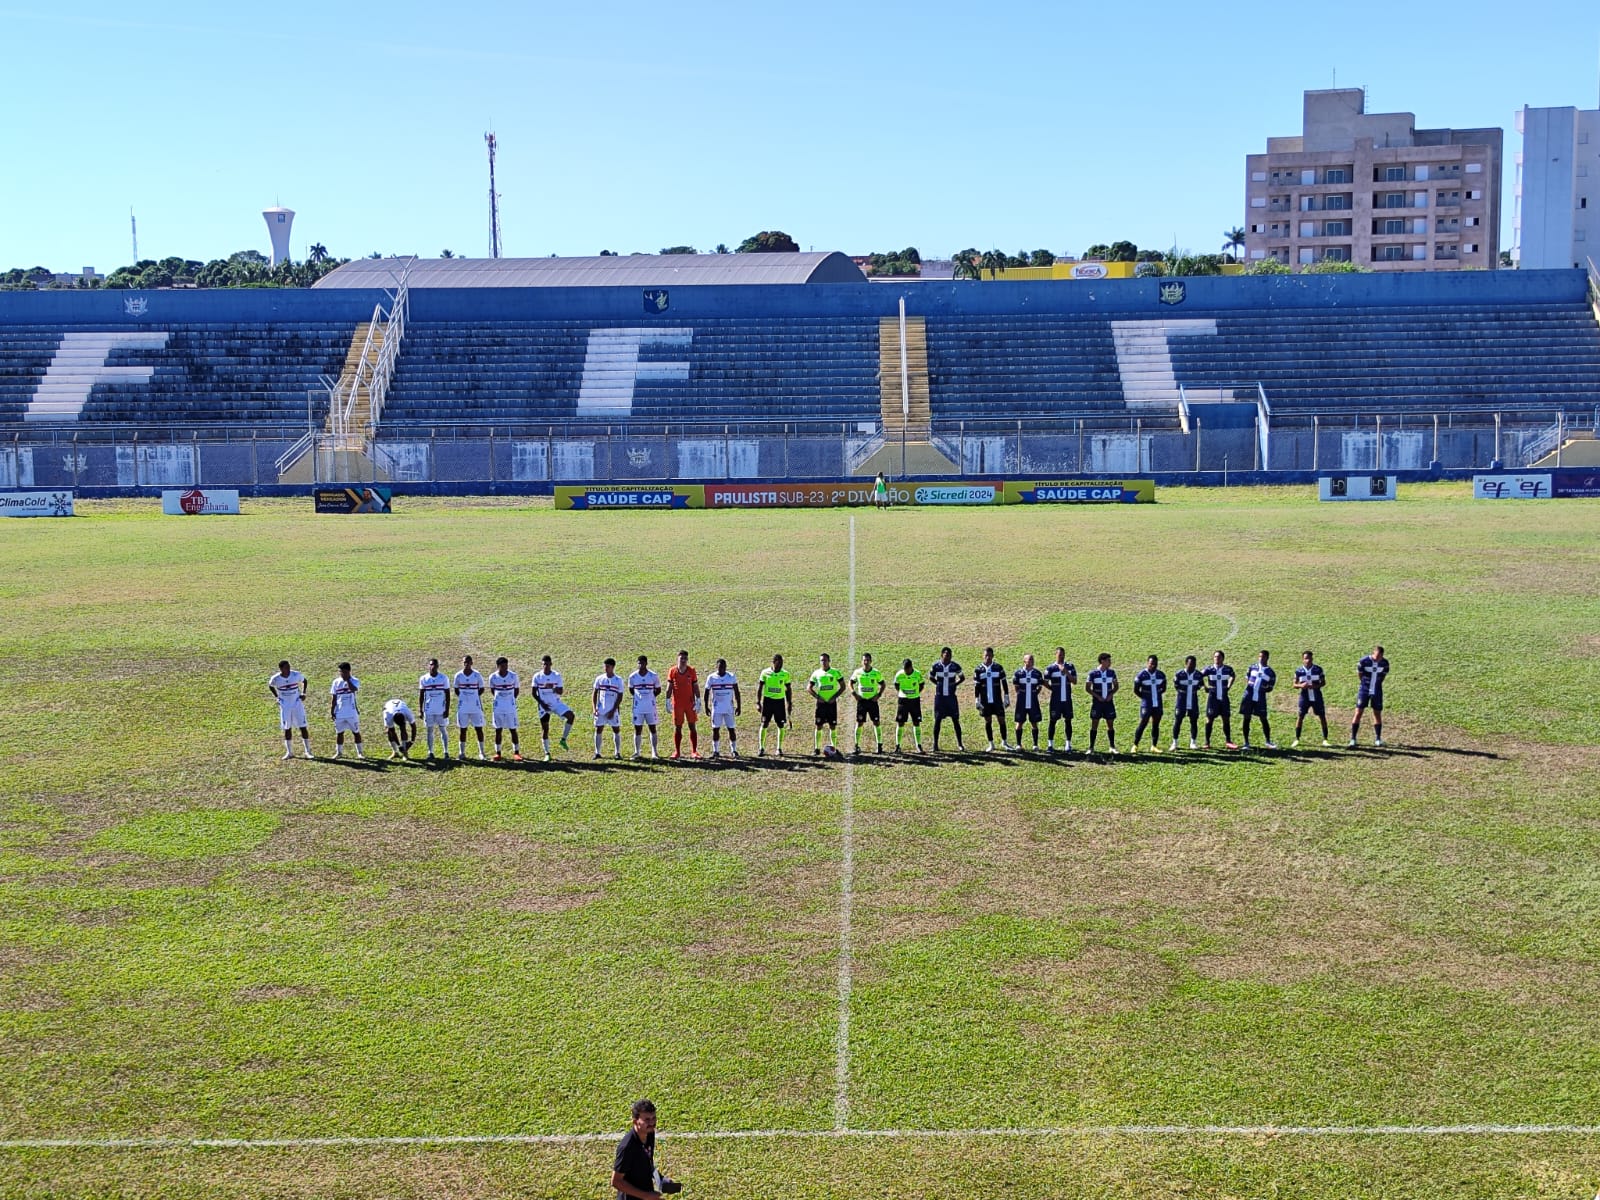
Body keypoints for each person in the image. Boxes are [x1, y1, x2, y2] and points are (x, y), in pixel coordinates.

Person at [612, 1098, 679, 1200]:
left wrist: (660, 1180)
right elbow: (616, 1181)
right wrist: (646, 1196)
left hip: (646, 1192)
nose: (652, 1123)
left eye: (654, 1118)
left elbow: (646, 1161)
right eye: (647, 1120)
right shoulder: (627, 1147)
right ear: (635, 1122)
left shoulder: (649, 1133)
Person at [532, 654, 576, 763]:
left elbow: (560, 691)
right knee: (545, 729)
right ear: (542, 665)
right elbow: (534, 693)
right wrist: (542, 703)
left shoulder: (556, 675)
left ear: (551, 664)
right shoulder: (537, 676)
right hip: (543, 705)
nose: (546, 666)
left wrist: (552, 687)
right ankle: (547, 753)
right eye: (544, 664)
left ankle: (563, 740)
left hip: (556, 703)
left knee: (571, 716)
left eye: (548, 664)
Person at [268, 659, 313, 760]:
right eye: (286, 667)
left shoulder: (296, 675)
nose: (288, 669)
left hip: (297, 704)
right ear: (281, 669)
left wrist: (303, 693)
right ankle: (289, 752)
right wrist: (277, 697)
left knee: (303, 726)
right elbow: (270, 685)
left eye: (289, 667)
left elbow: (304, 681)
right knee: (287, 728)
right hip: (285, 706)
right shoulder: (276, 678)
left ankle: (308, 751)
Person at [1349, 644, 1390, 747]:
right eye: (1376, 657)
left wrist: (1377, 684)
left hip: (1377, 690)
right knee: (1358, 712)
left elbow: (1383, 676)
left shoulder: (1385, 663)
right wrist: (1365, 683)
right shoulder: (1363, 661)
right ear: (1373, 653)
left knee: (1377, 713)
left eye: (1379, 657)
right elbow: (1360, 674)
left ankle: (1378, 738)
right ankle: (1353, 738)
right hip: (1364, 689)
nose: (1377, 659)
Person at [665, 650, 701, 760]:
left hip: (690, 703)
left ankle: (694, 751)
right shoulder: (672, 671)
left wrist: (698, 700)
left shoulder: (691, 671)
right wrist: (667, 700)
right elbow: (669, 687)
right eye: (681, 658)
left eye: (685, 658)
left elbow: (695, 686)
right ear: (678, 659)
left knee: (692, 726)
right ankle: (677, 751)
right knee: (678, 727)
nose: (683, 660)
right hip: (677, 704)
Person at [928, 646, 966, 752]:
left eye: (949, 655)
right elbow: (930, 677)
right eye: (945, 655)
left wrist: (955, 685)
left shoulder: (955, 666)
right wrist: (938, 685)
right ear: (941, 655)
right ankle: (935, 744)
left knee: (955, 720)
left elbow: (962, 677)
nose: (947, 657)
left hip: (951, 698)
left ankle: (960, 744)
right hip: (940, 697)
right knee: (937, 720)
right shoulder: (936, 666)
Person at [703, 658, 741, 758]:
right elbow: (706, 692)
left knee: (731, 729)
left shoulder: (731, 677)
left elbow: (737, 692)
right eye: (720, 667)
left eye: (723, 667)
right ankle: (716, 751)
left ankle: (734, 750)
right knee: (715, 729)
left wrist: (739, 706)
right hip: (717, 709)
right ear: (717, 667)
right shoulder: (711, 677)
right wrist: (706, 706)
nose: (721, 669)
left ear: (726, 667)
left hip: (729, 708)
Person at [974, 647, 1011, 752]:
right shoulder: (978, 669)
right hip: (985, 701)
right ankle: (991, 744)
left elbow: (1004, 683)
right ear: (983, 656)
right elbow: (977, 686)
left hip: (997, 700)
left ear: (993, 656)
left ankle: (1004, 742)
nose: (988, 658)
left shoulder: (998, 668)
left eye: (990, 655)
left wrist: (1006, 696)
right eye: (986, 655)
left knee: (1001, 720)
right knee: (988, 721)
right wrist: (977, 699)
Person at [1240, 649, 1278, 750]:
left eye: (1263, 657)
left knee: (1263, 718)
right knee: (1246, 718)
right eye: (1259, 656)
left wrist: (1261, 690)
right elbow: (1247, 678)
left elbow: (1270, 688)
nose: (1261, 658)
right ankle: (1246, 743)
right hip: (1248, 696)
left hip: (1260, 698)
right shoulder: (1252, 667)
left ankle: (1268, 741)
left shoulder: (1271, 673)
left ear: (1267, 658)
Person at [757, 654, 793, 757]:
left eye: (782, 663)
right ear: (774, 662)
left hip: (779, 702)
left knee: (780, 725)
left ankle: (779, 748)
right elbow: (760, 688)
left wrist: (789, 702)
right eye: (779, 663)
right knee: (764, 724)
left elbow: (788, 689)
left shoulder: (785, 674)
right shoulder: (765, 673)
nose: (781, 665)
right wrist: (758, 702)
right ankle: (761, 748)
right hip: (768, 701)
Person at [808, 653, 844, 757]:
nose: (823, 662)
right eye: (821, 660)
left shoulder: (835, 672)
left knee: (832, 726)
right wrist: (818, 697)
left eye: (825, 660)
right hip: (821, 705)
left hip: (832, 704)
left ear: (829, 661)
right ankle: (817, 749)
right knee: (819, 725)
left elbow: (843, 686)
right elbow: (809, 688)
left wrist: (835, 697)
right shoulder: (816, 674)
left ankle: (834, 748)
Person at [487, 656, 522, 762]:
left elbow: (516, 690)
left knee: (513, 729)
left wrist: (510, 700)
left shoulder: (513, 676)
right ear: (498, 666)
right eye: (502, 666)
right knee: (498, 730)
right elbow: (493, 691)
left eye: (506, 666)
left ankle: (516, 752)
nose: (505, 668)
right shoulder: (493, 677)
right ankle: (498, 753)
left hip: (510, 708)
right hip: (498, 708)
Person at [1292, 649, 1330, 747]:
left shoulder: (1318, 669)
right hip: (1304, 697)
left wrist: (1315, 686)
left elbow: (1323, 682)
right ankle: (1297, 738)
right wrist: (1301, 686)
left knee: (1322, 716)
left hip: (1317, 696)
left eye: (1309, 658)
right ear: (1302, 659)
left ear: (1312, 658)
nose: (1307, 660)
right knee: (1300, 716)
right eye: (1305, 658)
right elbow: (1294, 684)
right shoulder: (1299, 671)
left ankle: (1325, 739)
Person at [850, 652, 886, 754]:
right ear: (862, 661)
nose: (866, 662)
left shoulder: (876, 673)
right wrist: (854, 693)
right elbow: (851, 683)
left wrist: (878, 695)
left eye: (867, 660)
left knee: (876, 722)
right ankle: (856, 745)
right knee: (859, 723)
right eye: (864, 660)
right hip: (862, 702)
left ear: (871, 661)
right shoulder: (857, 672)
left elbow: (883, 684)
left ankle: (879, 746)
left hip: (872, 702)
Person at [628, 654, 662, 760]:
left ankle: (654, 752)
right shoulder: (632, 677)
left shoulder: (653, 675)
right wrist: (640, 699)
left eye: (642, 663)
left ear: (646, 663)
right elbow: (631, 690)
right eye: (639, 663)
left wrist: (650, 697)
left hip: (650, 708)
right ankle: (637, 752)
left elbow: (658, 689)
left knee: (652, 728)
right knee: (637, 729)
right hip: (638, 708)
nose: (641, 665)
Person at [454, 654, 488, 761]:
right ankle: (462, 753)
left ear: (472, 663)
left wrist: (473, 697)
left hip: (475, 707)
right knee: (463, 729)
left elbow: (481, 689)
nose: (466, 664)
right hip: (463, 707)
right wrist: (464, 698)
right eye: (464, 662)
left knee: (478, 728)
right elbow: (456, 690)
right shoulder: (458, 675)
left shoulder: (477, 675)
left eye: (468, 662)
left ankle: (482, 753)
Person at [417, 657, 452, 761]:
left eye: (434, 665)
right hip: (429, 710)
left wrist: (447, 709)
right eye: (431, 665)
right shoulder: (424, 679)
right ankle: (430, 752)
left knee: (443, 730)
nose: (432, 667)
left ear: (437, 666)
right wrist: (420, 710)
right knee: (429, 731)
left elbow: (448, 694)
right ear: (428, 666)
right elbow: (421, 695)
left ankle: (446, 752)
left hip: (441, 710)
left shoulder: (443, 678)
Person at [1202, 650, 1237, 750]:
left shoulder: (1227, 669)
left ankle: (1228, 741)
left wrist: (1229, 686)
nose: (1217, 659)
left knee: (1226, 719)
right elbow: (1199, 676)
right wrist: (1205, 686)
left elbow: (1233, 675)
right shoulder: (1209, 669)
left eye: (1219, 657)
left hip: (1224, 698)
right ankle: (1207, 742)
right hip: (1213, 698)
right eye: (1215, 657)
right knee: (1209, 720)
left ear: (1223, 658)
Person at [1044, 647, 1077, 754]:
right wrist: (1052, 689)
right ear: (1056, 654)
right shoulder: (1050, 668)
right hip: (1056, 700)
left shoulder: (1070, 666)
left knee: (1068, 721)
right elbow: (1044, 681)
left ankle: (1068, 745)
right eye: (1060, 654)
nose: (1062, 656)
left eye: (1063, 654)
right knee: (1052, 721)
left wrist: (1067, 672)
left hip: (1067, 699)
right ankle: (1050, 745)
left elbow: (1075, 681)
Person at [1085, 652, 1119, 754]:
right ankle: (1091, 747)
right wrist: (1098, 697)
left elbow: (1116, 686)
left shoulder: (1111, 673)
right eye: (1108, 660)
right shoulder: (1093, 674)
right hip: (1097, 703)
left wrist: (1111, 694)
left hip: (1108, 703)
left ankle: (1112, 747)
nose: (1110, 662)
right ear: (1102, 661)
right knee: (1094, 724)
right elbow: (1087, 688)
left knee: (1110, 724)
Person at [1131, 655, 1167, 752]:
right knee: (1143, 723)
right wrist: (1144, 698)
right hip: (1147, 704)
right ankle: (1135, 745)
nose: (1153, 665)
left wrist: (1157, 695)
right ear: (1148, 663)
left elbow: (1164, 688)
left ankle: (1154, 746)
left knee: (1156, 724)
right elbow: (1136, 690)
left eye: (1155, 664)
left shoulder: (1161, 675)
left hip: (1157, 704)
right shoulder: (1141, 675)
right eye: (1151, 663)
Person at [593, 658, 626, 759]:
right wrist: (594, 709)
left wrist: (613, 710)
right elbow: (595, 693)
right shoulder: (599, 679)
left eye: (608, 666)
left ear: (613, 667)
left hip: (613, 710)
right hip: (601, 710)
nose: (605, 668)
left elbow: (620, 697)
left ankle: (617, 752)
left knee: (616, 729)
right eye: (605, 666)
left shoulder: (618, 680)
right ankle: (597, 752)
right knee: (599, 729)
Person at [1168, 655, 1203, 751]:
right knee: (1178, 721)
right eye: (1190, 664)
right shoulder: (1179, 674)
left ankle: (1193, 742)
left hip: (1193, 700)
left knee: (1194, 721)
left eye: (1194, 664)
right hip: (1181, 701)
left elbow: (1200, 685)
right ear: (1186, 663)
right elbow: (1176, 686)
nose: (1192, 666)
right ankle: (1174, 742)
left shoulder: (1198, 675)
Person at [329, 661, 363, 759]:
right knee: (339, 733)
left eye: (343, 672)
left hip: (351, 712)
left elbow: (353, 689)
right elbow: (334, 697)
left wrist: (347, 680)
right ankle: (339, 752)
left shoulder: (354, 680)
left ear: (348, 671)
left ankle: (360, 752)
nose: (341, 674)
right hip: (339, 712)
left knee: (356, 732)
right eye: (340, 672)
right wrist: (332, 710)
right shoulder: (336, 682)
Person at [1012, 653, 1044, 750]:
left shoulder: (1037, 673)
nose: (1031, 661)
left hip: (1033, 701)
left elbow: (1039, 687)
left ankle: (1035, 744)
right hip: (1022, 701)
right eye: (1029, 660)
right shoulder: (1018, 673)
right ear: (1024, 661)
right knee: (1019, 722)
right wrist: (1022, 695)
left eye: (1032, 660)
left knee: (1034, 722)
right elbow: (1016, 687)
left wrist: (1033, 694)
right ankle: (1018, 744)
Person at [892, 657, 924, 753]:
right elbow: (896, 685)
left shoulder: (917, 674)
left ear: (911, 667)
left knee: (916, 722)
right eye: (905, 669)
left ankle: (918, 745)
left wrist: (915, 693)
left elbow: (921, 685)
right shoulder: (899, 674)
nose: (906, 671)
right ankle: (898, 746)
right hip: (903, 701)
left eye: (907, 669)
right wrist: (902, 693)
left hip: (914, 700)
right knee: (900, 722)